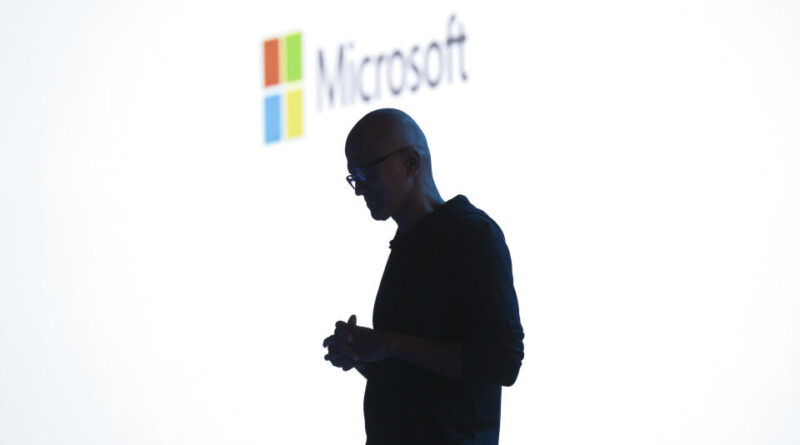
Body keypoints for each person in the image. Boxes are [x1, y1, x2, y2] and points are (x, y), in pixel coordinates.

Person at [322, 108, 524, 445]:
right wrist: (363, 354)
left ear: (411, 163)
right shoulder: (406, 244)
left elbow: (501, 362)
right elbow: (417, 382)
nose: (359, 190)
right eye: (353, 178)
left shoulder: (473, 235)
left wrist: (390, 343)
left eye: (365, 173)